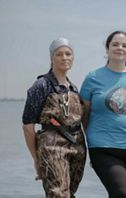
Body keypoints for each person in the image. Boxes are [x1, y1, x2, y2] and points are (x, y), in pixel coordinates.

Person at [80, 30, 126, 198]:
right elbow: (84, 113)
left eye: (124, 45)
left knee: (124, 195)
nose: (120, 48)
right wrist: (89, 140)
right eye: (115, 44)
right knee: (121, 193)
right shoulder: (93, 77)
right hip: (103, 147)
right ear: (107, 48)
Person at [22, 37, 87, 197]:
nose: (64, 58)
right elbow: (28, 125)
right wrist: (37, 158)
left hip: (77, 147)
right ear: (52, 58)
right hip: (52, 147)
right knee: (57, 194)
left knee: (70, 193)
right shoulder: (41, 85)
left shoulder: (74, 88)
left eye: (68, 54)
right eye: (59, 54)